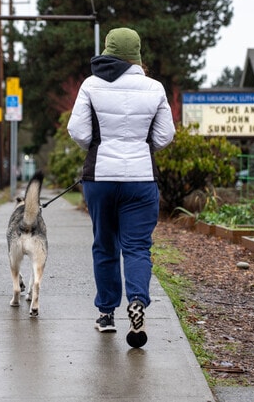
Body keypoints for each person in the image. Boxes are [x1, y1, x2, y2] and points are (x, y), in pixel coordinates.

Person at [67, 27, 175, 348]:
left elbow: (78, 130)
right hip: (141, 179)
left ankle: (106, 314)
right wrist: (143, 147)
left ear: (108, 50)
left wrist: (99, 146)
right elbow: (165, 135)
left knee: (105, 245)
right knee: (138, 247)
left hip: (100, 178)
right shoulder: (154, 88)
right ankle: (138, 301)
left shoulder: (91, 84)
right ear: (137, 54)